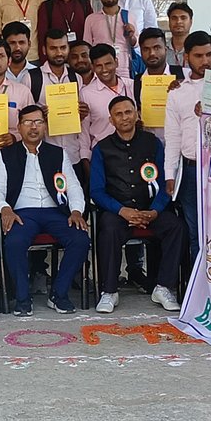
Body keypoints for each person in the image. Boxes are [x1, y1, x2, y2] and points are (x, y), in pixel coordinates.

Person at [90, 96, 185, 314]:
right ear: (111, 120)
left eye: (128, 112)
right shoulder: (101, 149)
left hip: (150, 209)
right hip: (118, 211)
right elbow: (96, 191)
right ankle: (109, 290)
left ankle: (163, 287)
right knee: (108, 229)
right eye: (118, 114)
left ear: (136, 114)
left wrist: (155, 210)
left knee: (177, 227)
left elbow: (165, 182)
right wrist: (122, 210)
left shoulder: (153, 143)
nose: (124, 117)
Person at [0, 105, 89, 316]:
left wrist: (76, 211)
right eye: (28, 122)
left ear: (45, 126)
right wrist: (5, 208)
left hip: (56, 211)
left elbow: (73, 186)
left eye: (38, 122)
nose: (33, 127)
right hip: (22, 213)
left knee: (80, 239)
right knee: (14, 242)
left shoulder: (58, 153)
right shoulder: (4, 155)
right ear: (19, 127)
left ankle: (59, 294)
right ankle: (22, 298)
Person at [165, 32, 211, 264]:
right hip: (190, 170)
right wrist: (170, 174)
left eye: (209, 54)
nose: (205, 61)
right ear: (186, 57)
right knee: (195, 231)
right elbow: (172, 136)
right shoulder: (177, 91)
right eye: (198, 56)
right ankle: (199, 282)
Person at [78, 44, 134, 166]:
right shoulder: (86, 93)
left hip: (133, 152)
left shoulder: (132, 86)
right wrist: (86, 161)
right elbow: (84, 132)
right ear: (92, 67)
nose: (104, 70)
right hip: (103, 155)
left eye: (108, 64)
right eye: (99, 66)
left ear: (116, 62)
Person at [83, 0, 136, 68]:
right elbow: (87, 47)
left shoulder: (129, 16)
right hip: (101, 68)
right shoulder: (91, 19)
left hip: (124, 68)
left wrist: (131, 36)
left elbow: (135, 44)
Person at [27, 29, 78, 106]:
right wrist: (39, 111)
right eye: (53, 48)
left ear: (68, 48)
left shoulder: (76, 77)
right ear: (44, 50)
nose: (59, 53)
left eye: (63, 47)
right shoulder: (30, 78)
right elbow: (24, 109)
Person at [165, 2, 194, 67]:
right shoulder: (162, 50)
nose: (178, 21)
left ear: (191, 22)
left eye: (183, 18)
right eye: (174, 18)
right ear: (169, 22)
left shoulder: (199, 49)